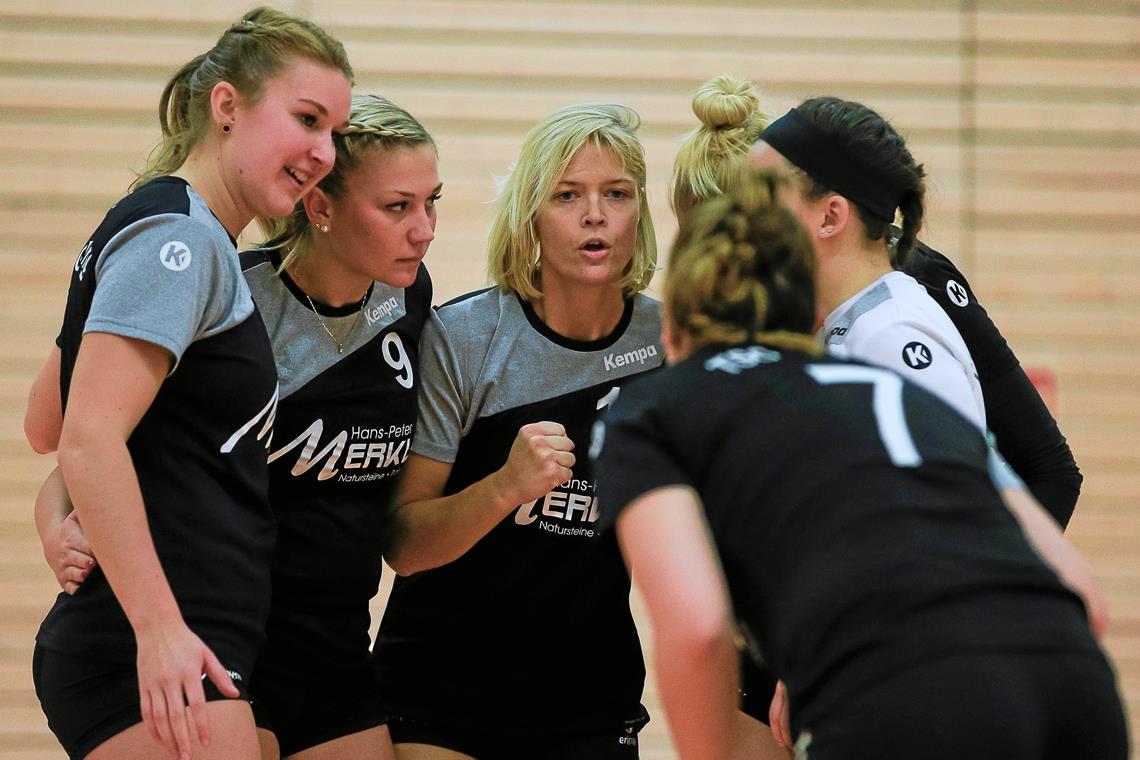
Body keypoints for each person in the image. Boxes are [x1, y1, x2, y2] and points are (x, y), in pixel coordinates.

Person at [592, 171, 1128, 760]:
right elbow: (1080, 590)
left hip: (904, 695)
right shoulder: (896, 388)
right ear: (811, 315)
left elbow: (698, 631)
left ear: (672, 331)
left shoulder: (652, 410)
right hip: (1074, 685)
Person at [22, 8, 353, 760]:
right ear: (227, 106)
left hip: (189, 641)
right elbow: (85, 434)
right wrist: (158, 628)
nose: (323, 151)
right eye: (306, 118)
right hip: (153, 650)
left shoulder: (161, 228)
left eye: (334, 131)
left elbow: (47, 421)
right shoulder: (181, 240)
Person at [373, 102, 661, 759]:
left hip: (589, 705)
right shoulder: (465, 337)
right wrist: (505, 487)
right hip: (441, 699)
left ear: (637, 214)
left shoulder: (666, 345)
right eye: (568, 195)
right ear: (531, 213)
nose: (595, 214)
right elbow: (404, 543)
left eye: (616, 194)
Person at [670, 77, 1081, 528]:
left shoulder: (891, 333)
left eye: (761, 199)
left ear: (830, 216)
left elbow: (950, 530)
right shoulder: (841, 322)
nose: (739, 223)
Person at [244, 93, 438, 760]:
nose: (425, 230)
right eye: (398, 207)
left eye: (430, 202)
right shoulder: (236, 301)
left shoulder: (409, 295)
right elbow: (93, 438)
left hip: (337, 651)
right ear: (320, 206)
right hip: (229, 644)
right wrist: (60, 521)